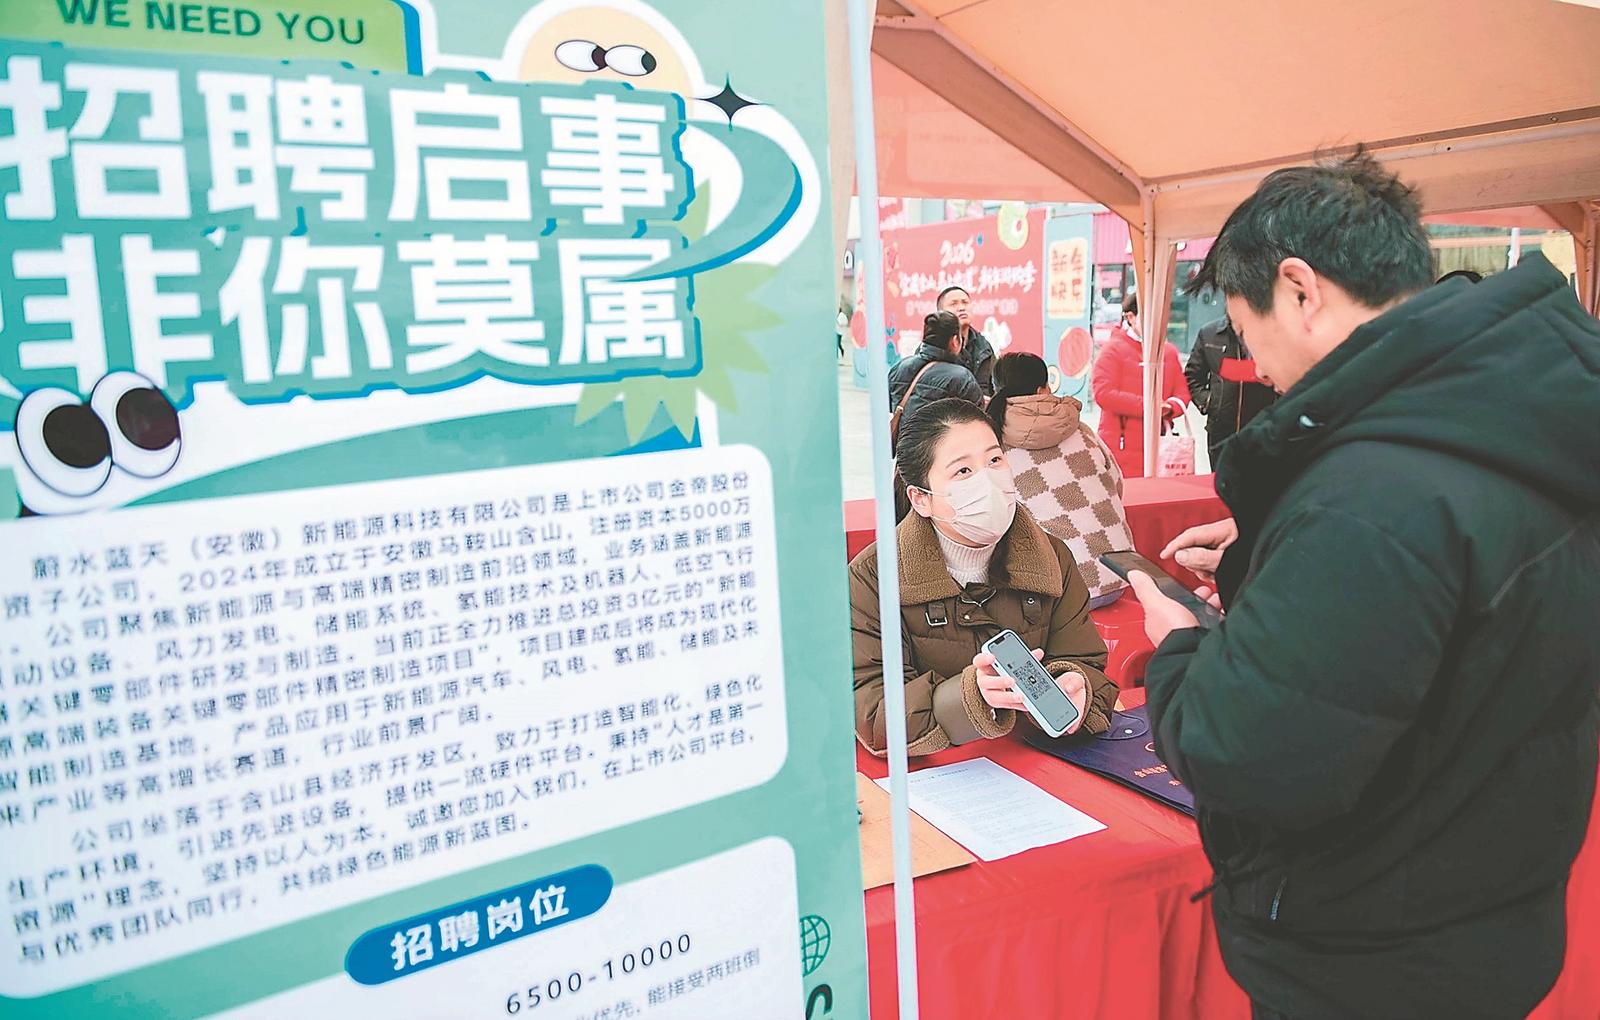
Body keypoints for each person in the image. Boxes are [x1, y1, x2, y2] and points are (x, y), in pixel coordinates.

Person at [1127, 149, 1600, 1020]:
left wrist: (1182, 644)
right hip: (1493, 913)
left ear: (1300, 290)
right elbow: (1455, 600)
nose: (1256, 365)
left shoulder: (1370, 496)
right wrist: (1280, 552)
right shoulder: (1516, 418)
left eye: (1246, 331)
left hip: (1371, 958)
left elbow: (1245, 754)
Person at [849, 397, 1118, 755]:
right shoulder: (873, 578)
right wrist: (968, 697)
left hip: (1032, 761)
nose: (988, 481)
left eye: (994, 460)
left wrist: (1079, 689)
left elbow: (1087, 663)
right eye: (963, 471)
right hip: (934, 772)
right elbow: (873, 712)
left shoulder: (1052, 557)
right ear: (921, 498)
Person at [987, 352, 1132, 608]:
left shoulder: (994, 446)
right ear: (1043, 389)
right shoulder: (1082, 431)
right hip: (1119, 575)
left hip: (1062, 592)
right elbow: (1117, 483)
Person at [1091, 291, 1191, 477]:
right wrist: (1149, 406)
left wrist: (1170, 407)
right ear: (1130, 317)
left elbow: (1182, 394)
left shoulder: (1169, 352)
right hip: (1120, 445)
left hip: (1161, 443)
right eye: (1151, 317)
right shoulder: (1112, 350)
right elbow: (1103, 393)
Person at [1183, 315, 1278, 466]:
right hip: (1221, 429)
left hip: (1264, 427)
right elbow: (1192, 376)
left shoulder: (1273, 331)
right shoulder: (1209, 333)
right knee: (1221, 477)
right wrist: (1210, 403)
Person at [886, 310, 983, 424]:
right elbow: (978, 422)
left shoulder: (898, 368)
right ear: (955, 341)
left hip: (903, 435)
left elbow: (887, 407)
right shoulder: (963, 379)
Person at [936, 285, 996, 396]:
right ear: (941, 313)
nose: (961, 308)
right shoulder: (933, 348)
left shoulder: (984, 346)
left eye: (965, 302)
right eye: (954, 304)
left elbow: (993, 387)